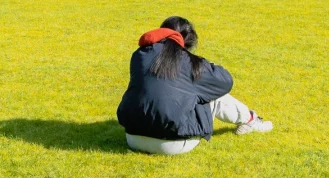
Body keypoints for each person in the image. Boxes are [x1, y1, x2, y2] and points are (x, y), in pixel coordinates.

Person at [116, 15, 273, 154]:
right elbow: (225, 82)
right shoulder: (189, 62)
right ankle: (251, 120)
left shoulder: (139, 55)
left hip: (132, 138)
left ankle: (250, 120)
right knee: (213, 94)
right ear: (189, 41)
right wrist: (205, 64)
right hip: (172, 145)